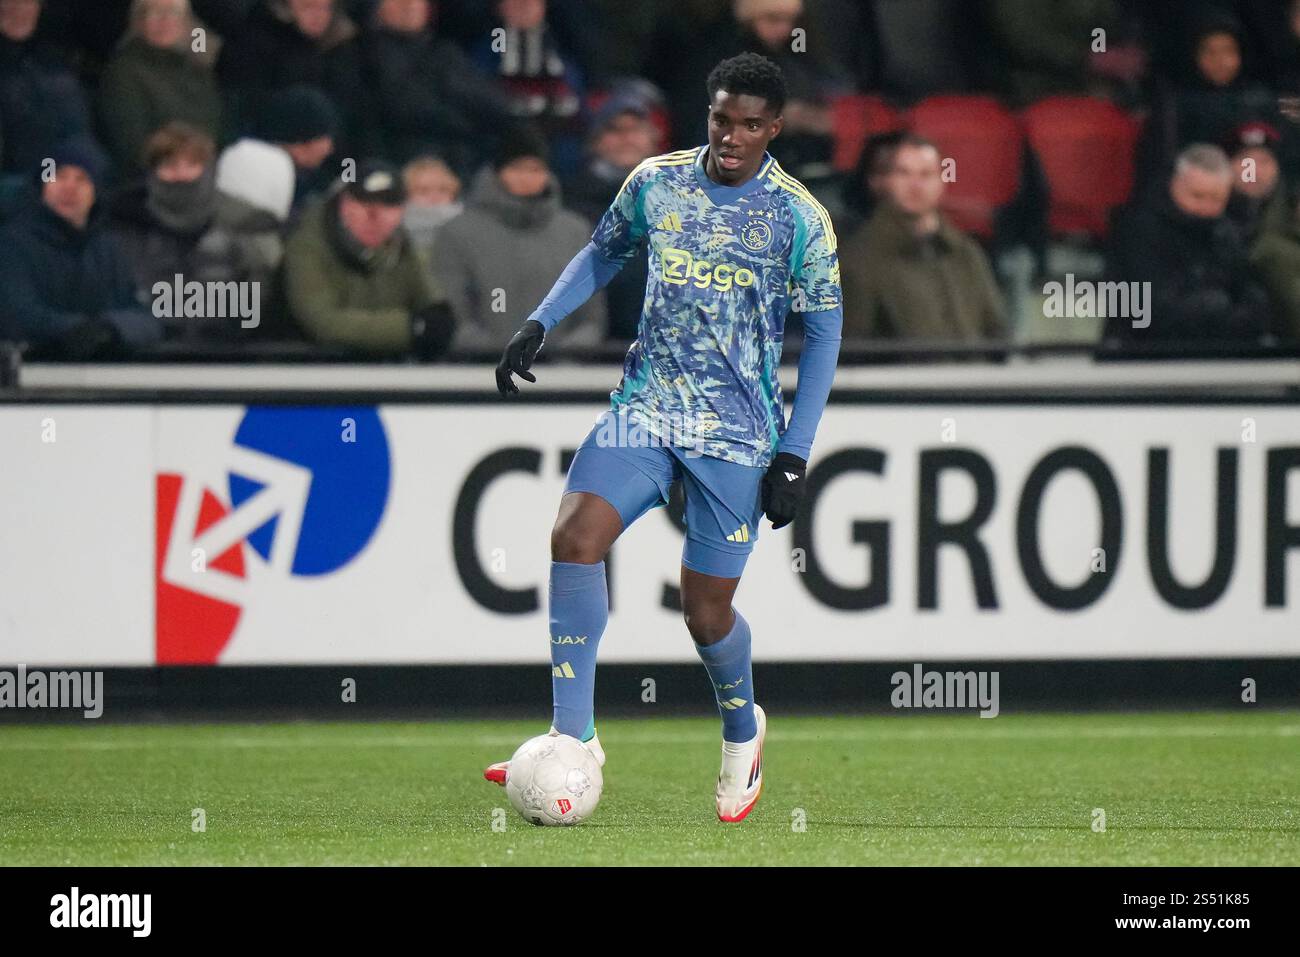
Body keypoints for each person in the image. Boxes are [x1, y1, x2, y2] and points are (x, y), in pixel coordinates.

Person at [481, 53, 843, 823]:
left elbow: (824, 333)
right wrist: (539, 321)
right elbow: (604, 249)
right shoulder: (657, 182)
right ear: (707, 113)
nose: (732, 136)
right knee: (575, 537)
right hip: (645, 408)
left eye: (750, 124)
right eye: (721, 118)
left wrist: (795, 451)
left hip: (738, 434)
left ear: (773, 129)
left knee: (705, 614)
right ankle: (573, 735)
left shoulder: (799, 217)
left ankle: (743, 728)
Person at [432, 125, 604, 355]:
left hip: (562, 374)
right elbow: (453, 314)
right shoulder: (457, 233)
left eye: (536, 169)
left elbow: (592, 318)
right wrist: (495, 356)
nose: (527, 178)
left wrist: (563, 355)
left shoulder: (575, 231)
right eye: (517, 168)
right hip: (479, 373)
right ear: (497, 171)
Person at [0, 141, 162, 358]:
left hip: (104, 376)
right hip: (31, 371)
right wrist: (76, 329)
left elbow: (146, 318)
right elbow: (16, 315)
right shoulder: (11, 245)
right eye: (59, 176)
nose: (69, 187)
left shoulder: (109, 248)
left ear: (96, 192)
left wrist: (110, 329)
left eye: (82, 179)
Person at [840, 134, 1006, 343]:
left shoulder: (966, 254)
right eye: (904, 173)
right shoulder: (860, 260)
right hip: (903, 375)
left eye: (926, 174)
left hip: (974, 372)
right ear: (887, 181)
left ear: (941, 182)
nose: (915, 185)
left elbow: (996, 331)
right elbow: (857, 347)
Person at [1105, 143, 1272, 349]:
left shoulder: (1226, 233)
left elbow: (1254, 301)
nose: (1206, 207)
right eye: (1197, 196)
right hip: (1143, 357)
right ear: (1175, 184)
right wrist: (1219, 306)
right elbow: (1152, 310)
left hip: (1219, 357)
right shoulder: (1138, 230)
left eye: (1216, 199)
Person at [283, 159, 454, 358]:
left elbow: (433, 308)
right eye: (364, 204)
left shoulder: (401, 246)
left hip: (384, 373)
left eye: (388, 206)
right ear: (344, 205)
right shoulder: (308, 245)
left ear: (401, 211)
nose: (375, 216)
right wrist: (411, 327)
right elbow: (323, 323)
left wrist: (437, 319)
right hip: (306, 372)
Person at [97, 0, 223, 179]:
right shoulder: (123, 72)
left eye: (173, 13)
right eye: (154, 13)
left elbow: (218, 128)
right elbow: (131, 143)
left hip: (206, 176)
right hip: (155, 179)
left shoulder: (197, 70)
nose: (164, 21)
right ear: (139, 22)